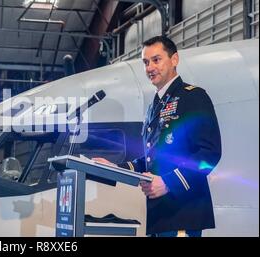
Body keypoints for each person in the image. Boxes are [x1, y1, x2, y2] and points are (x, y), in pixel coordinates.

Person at [93, 35, 222, 237]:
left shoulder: (192, 96)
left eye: (156, 59)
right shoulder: (155, 107)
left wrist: (169, 183)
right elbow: (151, 160)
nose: (150, 67)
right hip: (159, 217)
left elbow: (209, 154)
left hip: (183, 214)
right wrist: (114, 168)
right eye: (146, 62)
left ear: (174, 60)